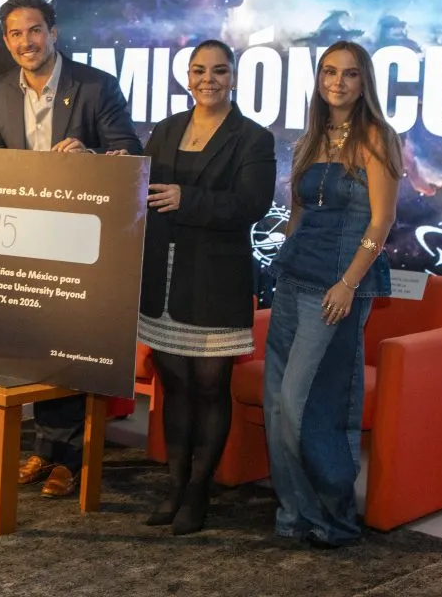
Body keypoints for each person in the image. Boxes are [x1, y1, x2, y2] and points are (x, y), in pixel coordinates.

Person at [0, 0, 141, 498]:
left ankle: (70, 459)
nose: (27, 42)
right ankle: (46, 448)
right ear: (6, 41)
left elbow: (129, 151)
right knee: (39, 348)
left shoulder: (95, 85)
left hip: (80, 243)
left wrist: (90, 156)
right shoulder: (0, 91)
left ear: (53, 33)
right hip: (23, 243)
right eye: (16, 34)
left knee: (71, 348)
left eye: (35, 30)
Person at [263, 39, 401, 548]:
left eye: (349, 73)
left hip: (337, 288)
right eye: (328, 72)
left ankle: (333, 517)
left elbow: (382, 221)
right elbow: (298, 214)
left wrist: (348, 283)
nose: (337, 82)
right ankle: (293, 513)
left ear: (364, 83)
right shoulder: (311, 138)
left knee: (305, 404)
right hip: (293, 279)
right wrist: (280, 260)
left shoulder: (377, 137)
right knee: (276, 403)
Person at [136, 39, 276, 535]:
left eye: (218, 71)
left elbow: (252, 205)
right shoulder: (166, 128)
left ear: (233, 77)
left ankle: (200, 490)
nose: (208, 80)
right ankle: (175, 486)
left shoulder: (253, 138)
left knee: (210, 388)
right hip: (164, 278)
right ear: (187, 76)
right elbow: (141, 186)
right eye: (199, 70)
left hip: (216, 281)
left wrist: (187, 198)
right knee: (174, 387)